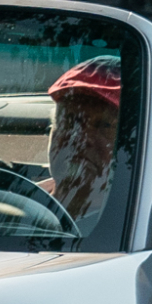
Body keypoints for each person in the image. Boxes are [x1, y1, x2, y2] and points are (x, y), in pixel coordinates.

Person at [45, 60, 123, 223]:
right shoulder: (18, 197)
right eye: (70, 122)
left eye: (104, 125)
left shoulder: (130, 225)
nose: (80, 138)